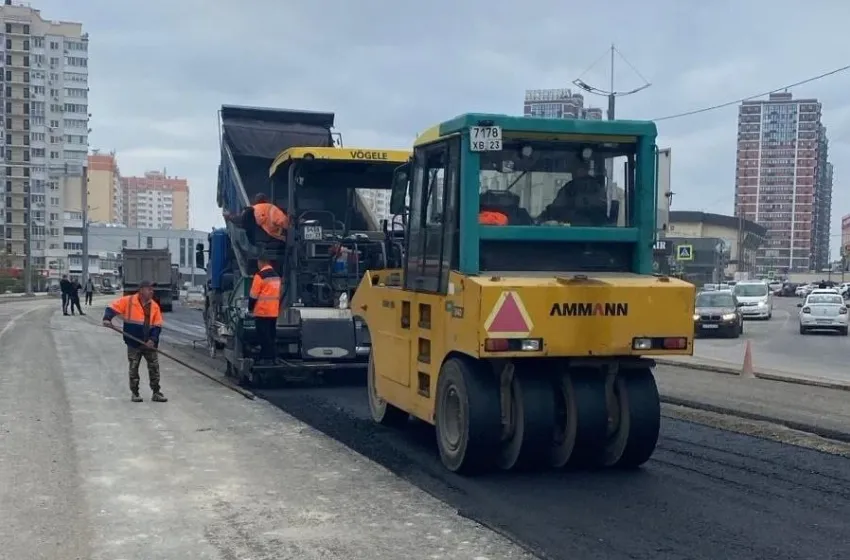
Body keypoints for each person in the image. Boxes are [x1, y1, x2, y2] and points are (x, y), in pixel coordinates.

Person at [102, 280, 167, 403]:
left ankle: (156, 392)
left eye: (152, 290)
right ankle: (135, 393)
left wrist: (152, 340)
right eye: (149, 289)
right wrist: (107, 319)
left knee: (154, 368)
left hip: (150, 344)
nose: (152, 292)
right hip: (133, 342)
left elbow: (157, 326)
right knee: (133, 368)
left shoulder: (154, 306)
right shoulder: (128, 301)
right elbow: (112, 308)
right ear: (141, 290)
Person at [537, 162, 609, 226]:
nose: (573, 172)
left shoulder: (572, 188)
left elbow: (557, 209)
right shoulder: (570, 187)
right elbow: (556, 208)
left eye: (575, 169)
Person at [223, 193, 290, 248]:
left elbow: (240, 220)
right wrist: (290, 229)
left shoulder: (252, 210)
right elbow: (283, 220)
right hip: (278, 240)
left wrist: (229, 217)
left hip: (258, 243)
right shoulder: (271, 208)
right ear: (265, 200)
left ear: (256, 201)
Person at [248, 258, 281, 364]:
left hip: (262, 311)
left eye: (258, 262)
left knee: (263, 336)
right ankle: (273, 357)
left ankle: (266, 358)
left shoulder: (260, 276)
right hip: (273, 312)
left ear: (262, 262)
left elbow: (253, 295)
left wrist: (250, 308)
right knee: (271, 336)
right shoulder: (276, 276)